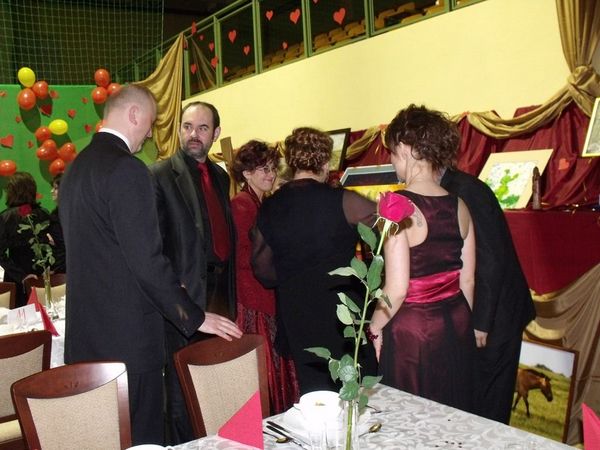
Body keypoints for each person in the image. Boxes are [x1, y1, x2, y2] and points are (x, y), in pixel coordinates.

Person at [59, 85, 241, 446]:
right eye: (151, 123)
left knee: (105, 439)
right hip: (128, 341)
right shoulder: (128, 170)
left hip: (86, 339)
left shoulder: (75, 169)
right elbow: (146, 259)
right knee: (142, 438)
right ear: (134, 115)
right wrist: (194, 315)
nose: (148, 135)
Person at [252, 127, 378, 394]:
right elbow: (388, 231)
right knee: (358, 388)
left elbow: (263, 269)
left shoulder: (270, 206)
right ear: (325, 163)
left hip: (297, 311)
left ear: (292, 162)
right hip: (342, 310)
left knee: (316, 391)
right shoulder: (343, 201)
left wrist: (293, 274)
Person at [369, 104, 477, 412]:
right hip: (457, 320)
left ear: (404, 148)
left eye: (392, 153)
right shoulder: (460, 205)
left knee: (413, 414)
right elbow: (468, 280)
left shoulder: (396, 205)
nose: (392, 161)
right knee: (452, 410)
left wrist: (373, 329)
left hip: (414, 330)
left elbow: (397, 289)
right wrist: (459, 327)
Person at [149, 101, 237, 444]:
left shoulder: (221, 176)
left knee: (217, 381)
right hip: (184, 298)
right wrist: (176, 289)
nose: (193, 135)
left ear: (216, 133)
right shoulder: (159, 175)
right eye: (187, 127)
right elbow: (153, 244)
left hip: (221, 292)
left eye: (202, 128)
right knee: (181, 391)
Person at [440, 167, 536, 423]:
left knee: (491, 404)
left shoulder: (467, 190)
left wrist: (481, 322)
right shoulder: (449, 187)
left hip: (497, 316)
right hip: (482, 310)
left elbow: (491, 258)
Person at [230, 140, 299, 413]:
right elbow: (244, 257)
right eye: (264, 169)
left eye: (272, 168)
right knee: (263, 367)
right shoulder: (241, 205)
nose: (271, 175)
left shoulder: (259, 202)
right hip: (253, 297)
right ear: (247, 173)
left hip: (265, 292)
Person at [0, 172, 55, 307]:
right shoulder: (43, 213)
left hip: (17, 278)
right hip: (43, 275)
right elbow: (54, 244)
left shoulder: (5, 218)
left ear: (12, 192)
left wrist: (21, 276)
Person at [48, 173, 66, 273]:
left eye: (55, 188)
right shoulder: (55, 214)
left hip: (64, 266)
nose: (52, 191)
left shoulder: (61, 215)